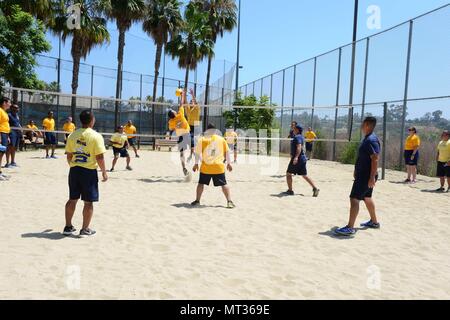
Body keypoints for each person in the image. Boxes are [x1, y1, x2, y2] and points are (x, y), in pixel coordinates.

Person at [64, 110, 108, 237]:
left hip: (74, 170)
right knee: (88, 202)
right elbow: (99, 157)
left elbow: (69, 156)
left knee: (72, 199)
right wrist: (104, 172)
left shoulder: (72, 135)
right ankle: (85, 229)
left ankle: (68, 227)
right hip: (88, 172)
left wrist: (73, 166)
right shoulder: (96, 136)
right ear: (92, 120)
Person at [335, 117, 381, 236]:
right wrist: (356, 169)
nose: (361, 126)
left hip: (366, 176)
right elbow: (363, 157)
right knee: (367, 197)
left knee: (354, 198)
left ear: (366, 124)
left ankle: (350, 227)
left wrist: (371, 177)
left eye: (362, 124)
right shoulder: (368, 138)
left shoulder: (371, 140)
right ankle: (374, 222)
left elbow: (375, 159)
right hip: (364, 174)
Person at [191, 123, 235, 208]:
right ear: (215, 131)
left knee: (200, 184)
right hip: (218, 167)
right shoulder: (221, 139)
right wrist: (229, 163)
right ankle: (229, 201)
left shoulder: (202, 139)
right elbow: (227, 152)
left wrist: (196, 164)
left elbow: (197, 153)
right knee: (224, 184)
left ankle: (197, 201)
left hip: (206, 167)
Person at [284, 124, 319, 197]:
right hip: (303, 159)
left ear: (297, 130)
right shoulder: (301, 137)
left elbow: (299, 147)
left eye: (294, 129)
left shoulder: (297, 137)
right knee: (304, 175)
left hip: (298, 158)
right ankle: (315, 188)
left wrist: (296, 157)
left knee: (288, 173)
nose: (293, 130)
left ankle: (290, 190)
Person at [168, 90, 191, 177]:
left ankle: (184, 167)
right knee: (193, 148)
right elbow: (181, 104)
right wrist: (182, 95)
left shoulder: (171, 121)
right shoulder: (180, 114)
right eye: (173, 111)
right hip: (187, 134)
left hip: (180, 136)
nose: (174, 110)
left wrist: (175, 125)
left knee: (182, 153)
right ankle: (191, 159)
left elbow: (171, 128)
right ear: (174, 113)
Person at [185, 88, 200, 162]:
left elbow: (196, 102)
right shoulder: (188, 109)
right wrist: (184, 95)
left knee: (196, 141)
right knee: (191, 141)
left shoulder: (196, 108)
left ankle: (195, 154)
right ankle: (191, 154)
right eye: (190, 101)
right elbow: (185, 102)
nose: (191, 102)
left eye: (192, 101)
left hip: (196, 126)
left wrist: (192, 94)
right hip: (190, 126)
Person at [0, 97, 11, 181]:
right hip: (1, 133)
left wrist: (8, 137)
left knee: (2, 153)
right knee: (0, 154)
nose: (10, 104)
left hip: (5, 134)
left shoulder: (4, 112)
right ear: (4, 103)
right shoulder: (0, 111)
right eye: (9, 103)